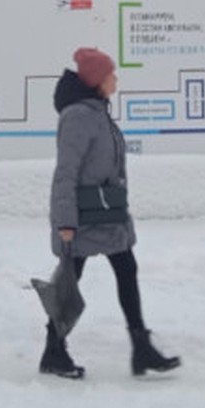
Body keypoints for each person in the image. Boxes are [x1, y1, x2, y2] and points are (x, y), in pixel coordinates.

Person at [41, 46, 181, 380]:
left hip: (107, 213)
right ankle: (54, 350)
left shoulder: (97, 111)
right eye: (111, 74)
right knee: (69, 283)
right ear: (97, 81)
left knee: (126, 269)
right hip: (84, 218)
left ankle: (141, 347)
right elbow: (66, 172)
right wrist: (65, 222)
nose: (116, 79)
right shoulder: (78, 116)